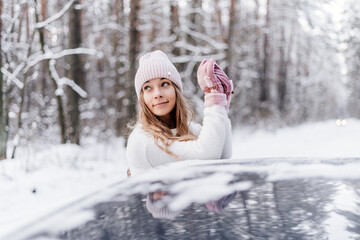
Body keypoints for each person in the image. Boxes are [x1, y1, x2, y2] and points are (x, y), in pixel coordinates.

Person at [126, 50, 232, 177]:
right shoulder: (143, 142)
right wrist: (213, 97)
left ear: (176, 90)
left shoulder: (186, 128)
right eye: (147, 88)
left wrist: (222, 104)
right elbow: (207, 154)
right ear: (142, 98)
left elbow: (223, 154)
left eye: (164, 84)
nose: (157, 94)